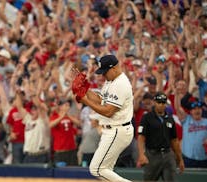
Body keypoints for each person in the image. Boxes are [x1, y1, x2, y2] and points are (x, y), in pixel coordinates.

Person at [77, 54, 134, 182]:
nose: (103, 75)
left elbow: (108, 111)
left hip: (117, 130)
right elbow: (101, 100)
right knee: (106, 169)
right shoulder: (111, 80)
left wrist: (85, 101)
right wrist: (84, 89)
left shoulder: (121, 84)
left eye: (105, 72)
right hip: (112, 129)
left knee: (96, 169)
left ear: (114, 68)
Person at [137, 92, 185, 182]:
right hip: (152, 155)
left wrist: (180, 159)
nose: (161, 105)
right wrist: (141, 154)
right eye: (159, 102)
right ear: (154, 102)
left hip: (168, 154)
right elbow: (141, 137)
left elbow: (174, 140)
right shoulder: (147, 117)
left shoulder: (170, 119)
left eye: (163, 103)